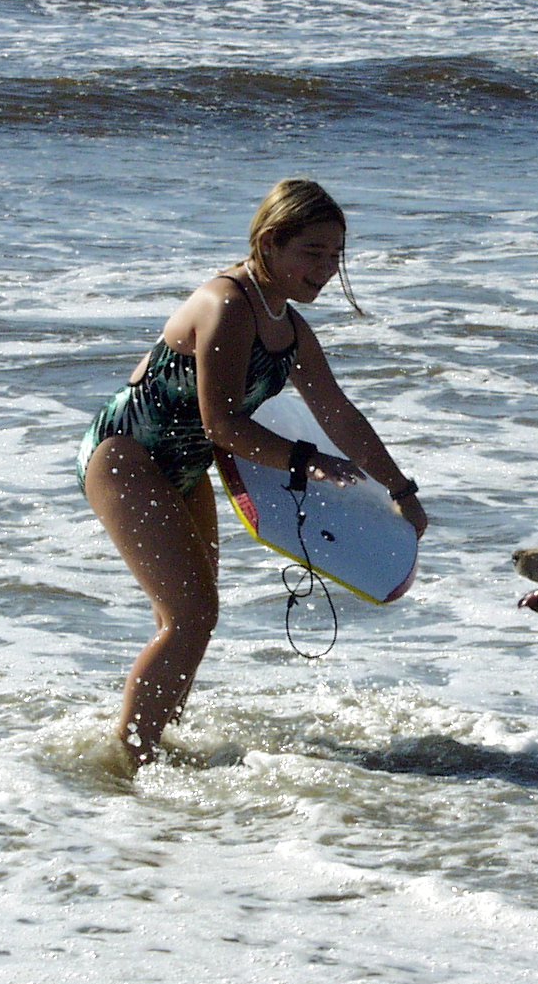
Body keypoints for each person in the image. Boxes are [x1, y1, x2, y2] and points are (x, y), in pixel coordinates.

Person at [76, 179, 428, 767]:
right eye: (312, 253)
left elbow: (338, 414)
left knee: (186, 617)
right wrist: (307, 462)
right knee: (191, 615)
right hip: (126, 458)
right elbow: (222, 424)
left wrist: (400, 488)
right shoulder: (228, 305)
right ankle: (131, 764)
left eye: (335, 255)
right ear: (269, 244)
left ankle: (153, 746)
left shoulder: (288, 327)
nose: (327, 269)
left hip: (183, 469)